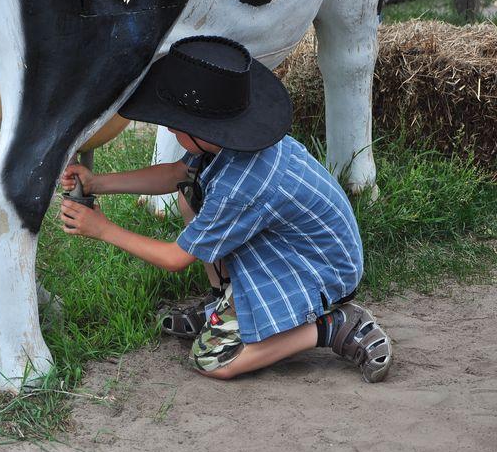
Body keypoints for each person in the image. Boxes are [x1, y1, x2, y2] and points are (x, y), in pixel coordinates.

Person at [59, 36, 393, 383]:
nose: (170, 127)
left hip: (321, 270)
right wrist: (99, 182)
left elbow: (175, 258)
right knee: (189, 192)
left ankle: (335, 326)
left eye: (176, 121)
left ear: (206, 129)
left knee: (214, 359)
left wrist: (102, 229)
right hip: (294, 245)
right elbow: (177, 173)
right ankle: (223, 301)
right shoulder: (229, 143)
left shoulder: (241, 185)